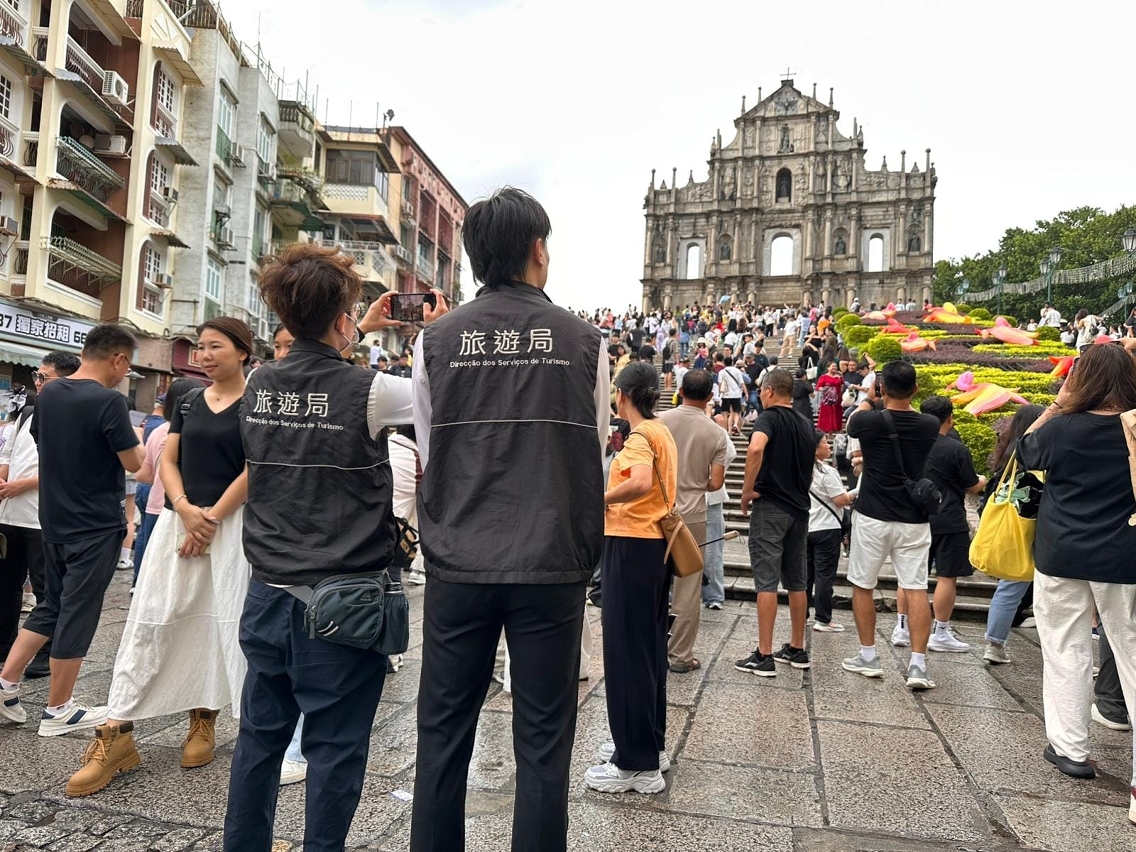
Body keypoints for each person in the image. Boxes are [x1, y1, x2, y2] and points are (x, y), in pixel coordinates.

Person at [222, 245, 440, 851]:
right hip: (343, 605)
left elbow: (312, 367)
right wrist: (436, 328)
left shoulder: (259, 383)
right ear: (342, 319)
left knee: (260, 739)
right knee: (335, 750)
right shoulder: (372, 391)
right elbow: (440, 392)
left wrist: (353, 328)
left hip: (267, 595)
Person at [410, 188, 605, 850]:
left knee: (441, 733)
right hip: (550, 560)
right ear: (538, 250)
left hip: (459, 559)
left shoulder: (436, 340)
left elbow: (432, 448)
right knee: (544, 742)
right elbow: (591, 449)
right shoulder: (584, 342)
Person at [68, 319, 253, 797]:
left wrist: (210, 520)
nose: (204, 356)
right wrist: (186, 509)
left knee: (219, 622)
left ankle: (203, 717)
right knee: (151, 618)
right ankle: (117, 731)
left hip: (231, 527)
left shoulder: (258, 403)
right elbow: (167, 460)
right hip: (178, 522)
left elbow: (255, 468)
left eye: (215, 347)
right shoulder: (189, 401)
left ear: (243, 352)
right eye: (200, 348)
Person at [0, 325, 143, 734]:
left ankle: (5, 684)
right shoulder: (109, 401)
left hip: (54, 519)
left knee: (52, 604)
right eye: (127, 368)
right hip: (95, 523)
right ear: (117, 359)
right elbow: (134, 463)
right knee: (78, 612)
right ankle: (58, 709)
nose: (124, 375)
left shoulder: (49, 395)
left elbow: (44, 445)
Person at [1015, 344, 1136, 808]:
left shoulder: (1063, 427)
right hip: (1123, 556)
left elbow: (1025, 452)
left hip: (1062, 553)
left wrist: (1057, 404)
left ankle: (1070, 748)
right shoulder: (1134, 427)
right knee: (1130, 652)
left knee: (1066, 648)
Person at [586, 362, 675, 795]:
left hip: (632, 544)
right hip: (654, 548)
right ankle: (647, 743)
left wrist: (600, 498)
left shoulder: (639, 437)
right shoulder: (661, 431)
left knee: (626, 652)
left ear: (622, 394)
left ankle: (635, 763)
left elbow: (638, 482)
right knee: (648, 650)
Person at [841, 361, 940, 690]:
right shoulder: (929, 424)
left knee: (863, 585)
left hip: (872, 514)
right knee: (916, 588)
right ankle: (918, 665)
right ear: (916, 389)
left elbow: (852, 423)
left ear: (881, 388)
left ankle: (868, 656)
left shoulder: (866, 421)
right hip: (914, 519)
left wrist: (871, 398)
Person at [0, 353, 81, 679]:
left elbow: (68, 468)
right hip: (10, 514)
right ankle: (4, 646)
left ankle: (46, 652)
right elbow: (7, 454)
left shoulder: (76, 417)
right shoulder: (27, 413)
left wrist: (22, 485)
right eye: (37, 375)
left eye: (44, 378)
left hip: (43, 518)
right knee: (6, 586)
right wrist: (4, 480)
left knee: (47, 589)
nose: (37, 382)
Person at [735, 369, 816, 676]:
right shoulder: (806, 423)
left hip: (770, 506)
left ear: (768, 391)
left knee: (766, 581)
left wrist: (746, 491)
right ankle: (797, 647)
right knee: (797, 580)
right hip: (799, 509)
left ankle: (764, 654)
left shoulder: (768, 418)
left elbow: (756, 448)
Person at [900, 396, 986, 654]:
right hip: (948, 517)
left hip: (914, 516)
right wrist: (982, 481)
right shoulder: (956, 448)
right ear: (950, 417)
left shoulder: (909, 445)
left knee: (909, 575)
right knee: (947, 576)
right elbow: (971, 485)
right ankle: (940, 632)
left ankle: (901, 628)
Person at [658, 370, 728, 672]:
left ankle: (647, 647)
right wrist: (696, 482)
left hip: (655, 511)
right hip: (692, 515)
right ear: (710, 397)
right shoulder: (716, 433)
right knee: (687, 588)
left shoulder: (659, 421)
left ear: (681, 391)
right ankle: (680, 656)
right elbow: (716, 483)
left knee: (650, 579)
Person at [981, 404, 1045, 664]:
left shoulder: (1008, 457)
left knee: (1009, 588)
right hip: (1042, 531)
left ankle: (994, 644)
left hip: (1012, 531)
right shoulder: (1042, 455)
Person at [807, 431, 856, 632]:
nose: (828, 446)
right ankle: (823, 619)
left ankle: (801, 615)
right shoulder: (826, 472)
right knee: (824, 576)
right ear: (815, 449)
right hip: (827, 528)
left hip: (806, 528)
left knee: (806, 576)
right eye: (824, 443)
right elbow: (841, 500)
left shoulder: (798, 470)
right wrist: (857, 491)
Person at [703, 416, 736, 610]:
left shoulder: (715, 435)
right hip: (686, 497)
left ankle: (713, 595)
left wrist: (722, 430)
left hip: (712, 499)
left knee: (713, 551)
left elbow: (730, 453)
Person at [717, 356, 746, 435]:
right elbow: (742, 383)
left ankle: (726, 429)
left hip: (726, 395)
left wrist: (720, 392)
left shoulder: (722, 372)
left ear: (724, 363)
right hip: (736, 394)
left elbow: (720, 383)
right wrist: (746, 393)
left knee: (725, 412)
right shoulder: (737, 371)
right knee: (736, 411)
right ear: (732, 362)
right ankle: (735, 425)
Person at [816, 361, 844, 434]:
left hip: (837, 398)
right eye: (832, 366)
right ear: (828, 368)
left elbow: (842, 385)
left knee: (837, 413)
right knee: (828, 414)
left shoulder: (839, 377)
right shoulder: (824, 377)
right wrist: (826, 389)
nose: (834, 367)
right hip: (828, 399)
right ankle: (829, 431)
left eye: (835, 366)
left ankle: (837, 429)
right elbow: (818, 387)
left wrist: (841, 376)